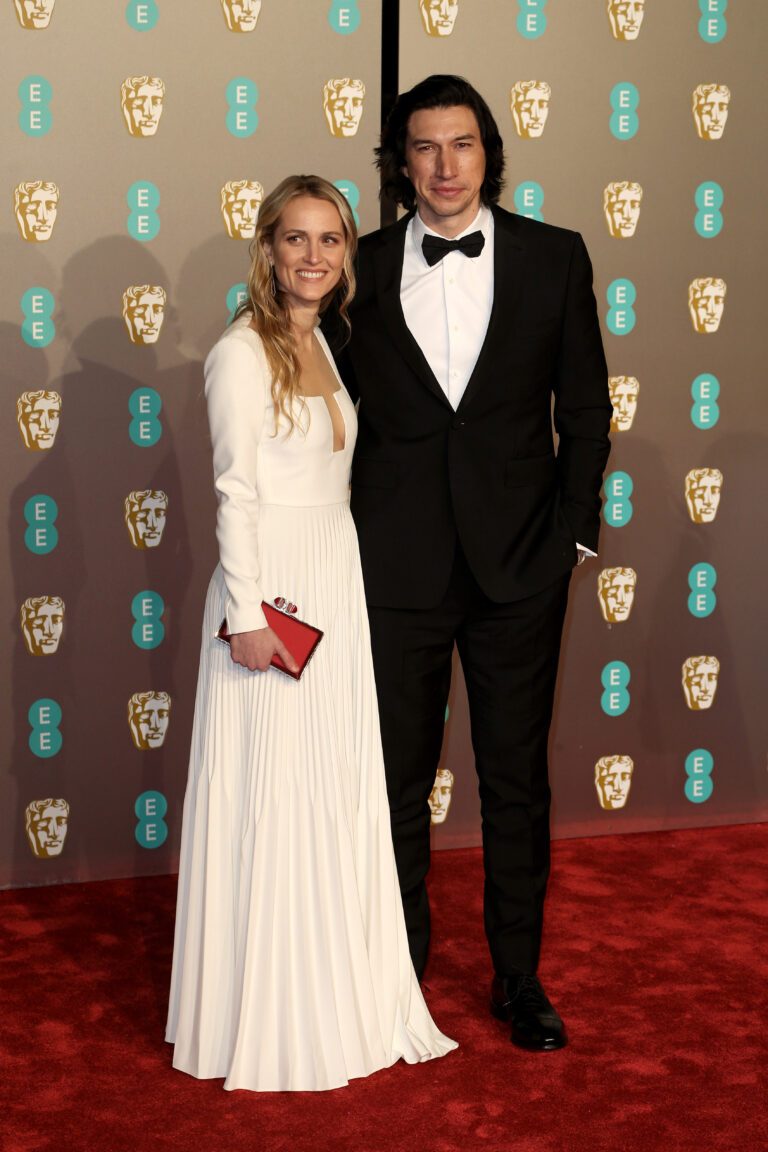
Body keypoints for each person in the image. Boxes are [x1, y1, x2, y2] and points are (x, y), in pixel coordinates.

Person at [331, 75, 611, 1052]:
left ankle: (519, 978)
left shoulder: (553, 258)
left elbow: (585, 412)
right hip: (393, 570)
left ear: (490, 152)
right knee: (394, 786)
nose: (445, 166)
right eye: (424, 147)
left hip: (520, 572)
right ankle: (400, 976)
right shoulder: (354, 269)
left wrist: (572, 537)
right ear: (399, 164)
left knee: (515, 785)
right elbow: (322, 417)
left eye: (463, 145)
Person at [165, 175, 455, 1092]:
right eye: (296, 239)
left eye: (331, 240)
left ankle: (337, 987)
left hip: (334, 573)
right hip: (275, 594)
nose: (315, 257)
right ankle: (271, 1011)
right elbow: (235, 491)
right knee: (275, 795)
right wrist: (245, 615)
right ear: (267, 248)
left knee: (328, 789)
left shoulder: (329, 343)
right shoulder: (242, 352)